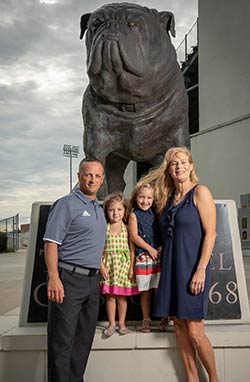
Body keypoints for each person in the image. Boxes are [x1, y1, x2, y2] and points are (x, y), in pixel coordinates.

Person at [142, 147, 219, 382]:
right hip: (171, 270)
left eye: (183, 162)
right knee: (179, 328)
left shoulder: (201, 193)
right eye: (174, 164)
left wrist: (201, 269)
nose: (179, 167)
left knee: (195, 331)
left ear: (191, 165)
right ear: (169, 169)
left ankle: (214, 379)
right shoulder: (167, 199)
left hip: (193, 270)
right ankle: (192, 379)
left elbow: (211, 234)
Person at [43, 158, 107, 382]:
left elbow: (90, 242)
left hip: (92, 283)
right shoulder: (66, 204)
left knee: (82, 342)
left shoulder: (99, 207)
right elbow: (51, 243)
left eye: (98, 176)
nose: (93, 179)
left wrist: (100, 265)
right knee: (62, 342)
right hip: (68, 280)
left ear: (102, 179)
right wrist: (54, 278)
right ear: (80, 176)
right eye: (88, 174)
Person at [128, 181, 169, 333]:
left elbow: (162, 232)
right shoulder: (134, 215)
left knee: (160, 289)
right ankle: (146, 319)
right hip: (144, 256)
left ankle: (165, 317)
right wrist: (150, 249)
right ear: (136, 198)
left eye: (149, 198)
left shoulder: (157, 213)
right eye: (141, 197)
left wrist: (159, 247)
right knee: (146, 291)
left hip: (158, 254)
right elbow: (134, 236)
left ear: (153, 199)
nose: (145, 201)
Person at [100, 191, 139, 337]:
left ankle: (122, 323)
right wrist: (101, 266)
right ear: (107, 211)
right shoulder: (104, 228)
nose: (115, 213)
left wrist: (131, 268)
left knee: (122, 297)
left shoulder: (127, 228)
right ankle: (111, 324)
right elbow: (98, 248)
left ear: (125, 210)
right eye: (111, 210)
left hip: (123, 265)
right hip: (109, 267)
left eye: (119, 209)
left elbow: (132, 250)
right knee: (110, 297)